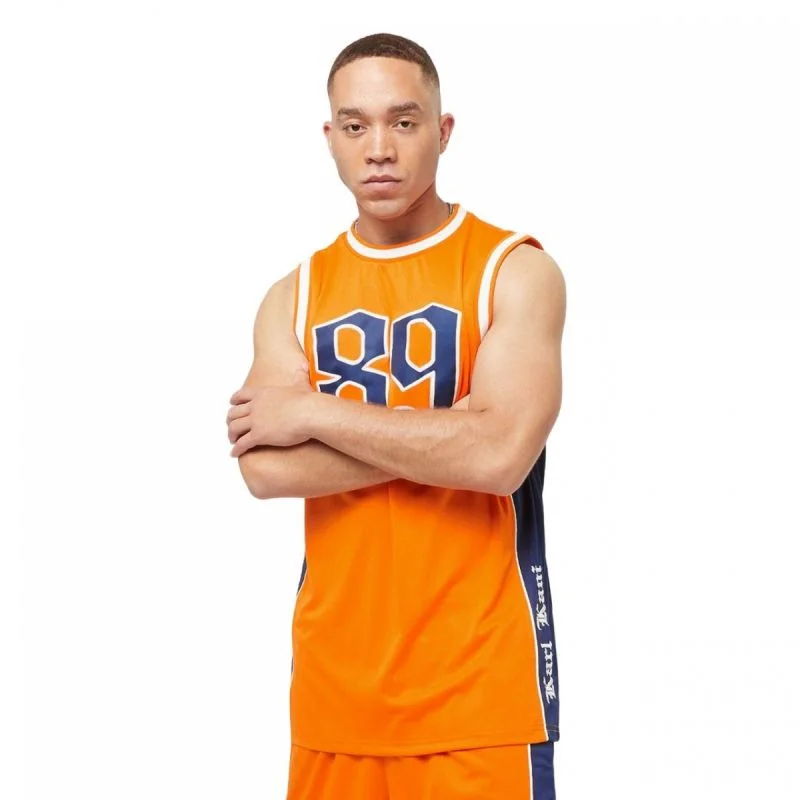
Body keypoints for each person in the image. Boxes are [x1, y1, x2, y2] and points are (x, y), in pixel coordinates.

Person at [226, 32, 566, 800]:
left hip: (481, 693)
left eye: (403, 122)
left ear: (443, 131)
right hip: (333, 699)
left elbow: (499, 457)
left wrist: (312, 411)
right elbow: (265, 471)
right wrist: (451, 431)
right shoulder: (294, 295)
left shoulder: (513, 270)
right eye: (355, 126)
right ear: (330, 138)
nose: (378, 148)